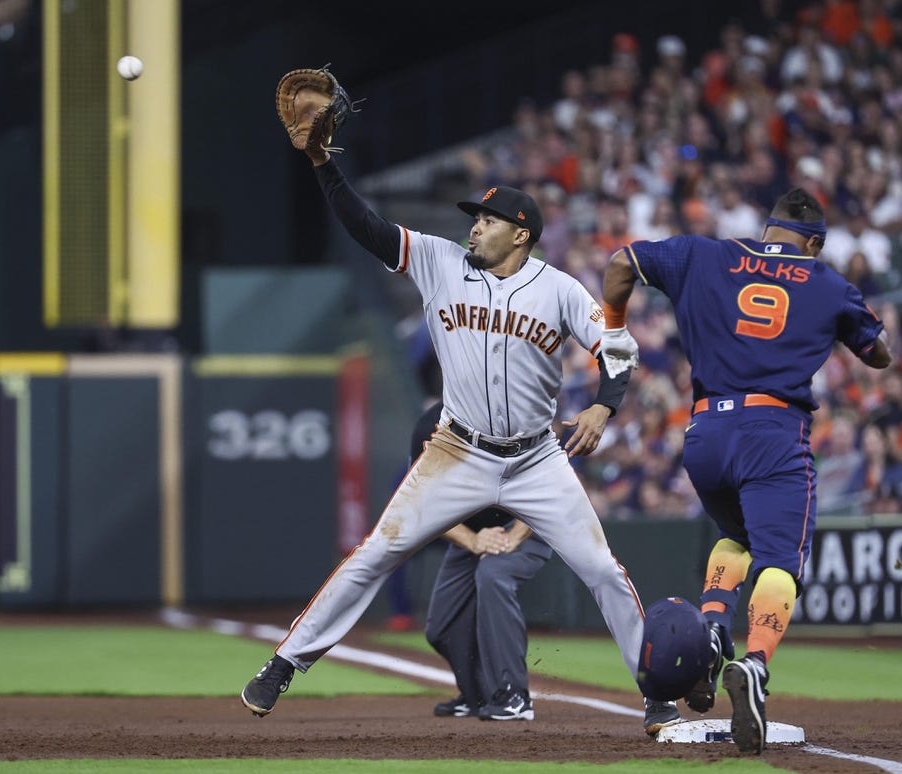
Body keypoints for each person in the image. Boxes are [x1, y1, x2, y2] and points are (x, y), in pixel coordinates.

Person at [241, 113, 682, 737]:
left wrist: (604, 404)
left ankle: (657, 695)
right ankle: (285, 663)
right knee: (374, 553)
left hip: (535, 460)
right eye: (475, 217)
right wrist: (322, 164)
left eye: (488, 219)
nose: (474, 225)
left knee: (604, 571)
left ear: (521, 234)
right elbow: (364, 226)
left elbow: (617, 347)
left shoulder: (557, 290)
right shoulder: (439, 261)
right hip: (457, 452)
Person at [600, 187, 891, 754]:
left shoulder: (703, 254)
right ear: (813, 243)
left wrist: (613, 330)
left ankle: (713, 629)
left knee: (736, 537)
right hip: (773, 435)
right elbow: (879, 351)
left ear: (766, 231)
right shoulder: (828, 283)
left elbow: (620, 263)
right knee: (780, 560)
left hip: (705, 435)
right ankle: (754, 663)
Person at [413, 400, 553, 721]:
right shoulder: (426, 426)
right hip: (470, 533)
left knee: (494, 575)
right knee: (440, 628)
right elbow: (422, 502)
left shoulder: (511, 411)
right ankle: (476, 694)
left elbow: (552, 482)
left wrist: (514, 536)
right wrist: (473, 540)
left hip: (522, 524)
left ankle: (513, 694)